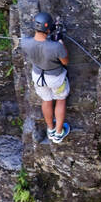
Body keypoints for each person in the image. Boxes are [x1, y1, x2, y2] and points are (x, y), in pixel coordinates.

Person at [20, 12, 70, 143]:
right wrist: (60, 41)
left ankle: (50, 128)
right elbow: (65, 62)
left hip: (38, 77)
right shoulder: (56, 46)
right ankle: (58, 133)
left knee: (46, 100)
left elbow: (36, 43)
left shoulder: (25, 42)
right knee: (60, 99)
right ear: (48, 29)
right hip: (55, 78)